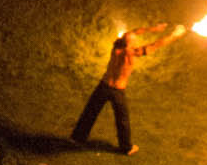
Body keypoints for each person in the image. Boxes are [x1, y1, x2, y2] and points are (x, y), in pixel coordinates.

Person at [70, 22, 185, 155]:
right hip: (117, 90)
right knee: (122, 119)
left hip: (103, 85)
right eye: (133, 41)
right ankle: (126, 147)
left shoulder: (116, 47)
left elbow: (134, 31)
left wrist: (152, 28)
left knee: (90, 111)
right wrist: (174, 35)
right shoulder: (131, 54)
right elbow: (156, 44)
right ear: (129, 44)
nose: (136, 40)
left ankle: (77, 138)